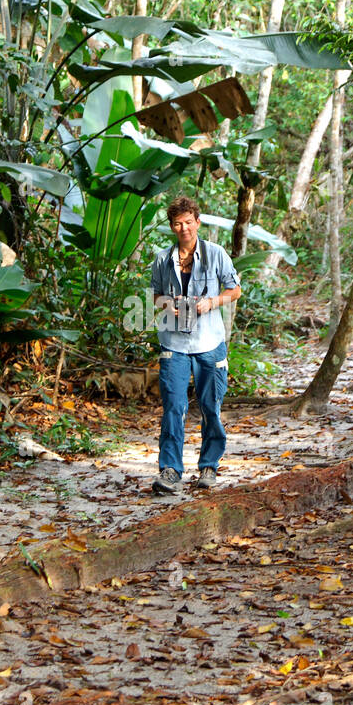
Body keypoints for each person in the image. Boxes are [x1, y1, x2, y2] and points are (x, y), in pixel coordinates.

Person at [150, 196, 243, 494]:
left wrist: (211, 303)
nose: (184, 228)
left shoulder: (216, 254)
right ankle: (170, 470)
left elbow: (235, 290)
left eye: (188, 222)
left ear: (198, 222)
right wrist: (169, 305)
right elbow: (155, 296)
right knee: (173, 407)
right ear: (172, 226)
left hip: (209, 342)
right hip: (174, 343)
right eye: (178, 223)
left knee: (210, 407)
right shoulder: (162, 259)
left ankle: (209, 467)